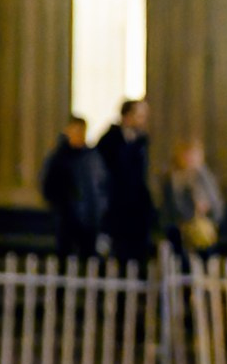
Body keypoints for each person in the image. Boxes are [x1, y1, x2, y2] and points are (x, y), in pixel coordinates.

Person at [39, 116, 107, 266]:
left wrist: (98, 211)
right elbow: (48, 185)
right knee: (64, 259)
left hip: (88, 218)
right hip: (66, 218)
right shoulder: (59, 157)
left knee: (88, 259)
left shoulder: (91, 157)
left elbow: (100, 186)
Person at [97, 97, 155, 272]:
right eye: (139, 115)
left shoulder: (142, 142)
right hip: (115, 208)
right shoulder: (109, 141)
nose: (143, 120)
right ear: (127, 116)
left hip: (136, 210)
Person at [158, 134, 225, 265]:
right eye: (188, 154)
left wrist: (207, 208)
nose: (191, 158)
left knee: (207, 243)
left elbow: (217, 205)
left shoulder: (205, 176)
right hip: (179, 226)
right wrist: (191, 212)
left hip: (203, 224)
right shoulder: (173, 178)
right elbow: (173, 207)